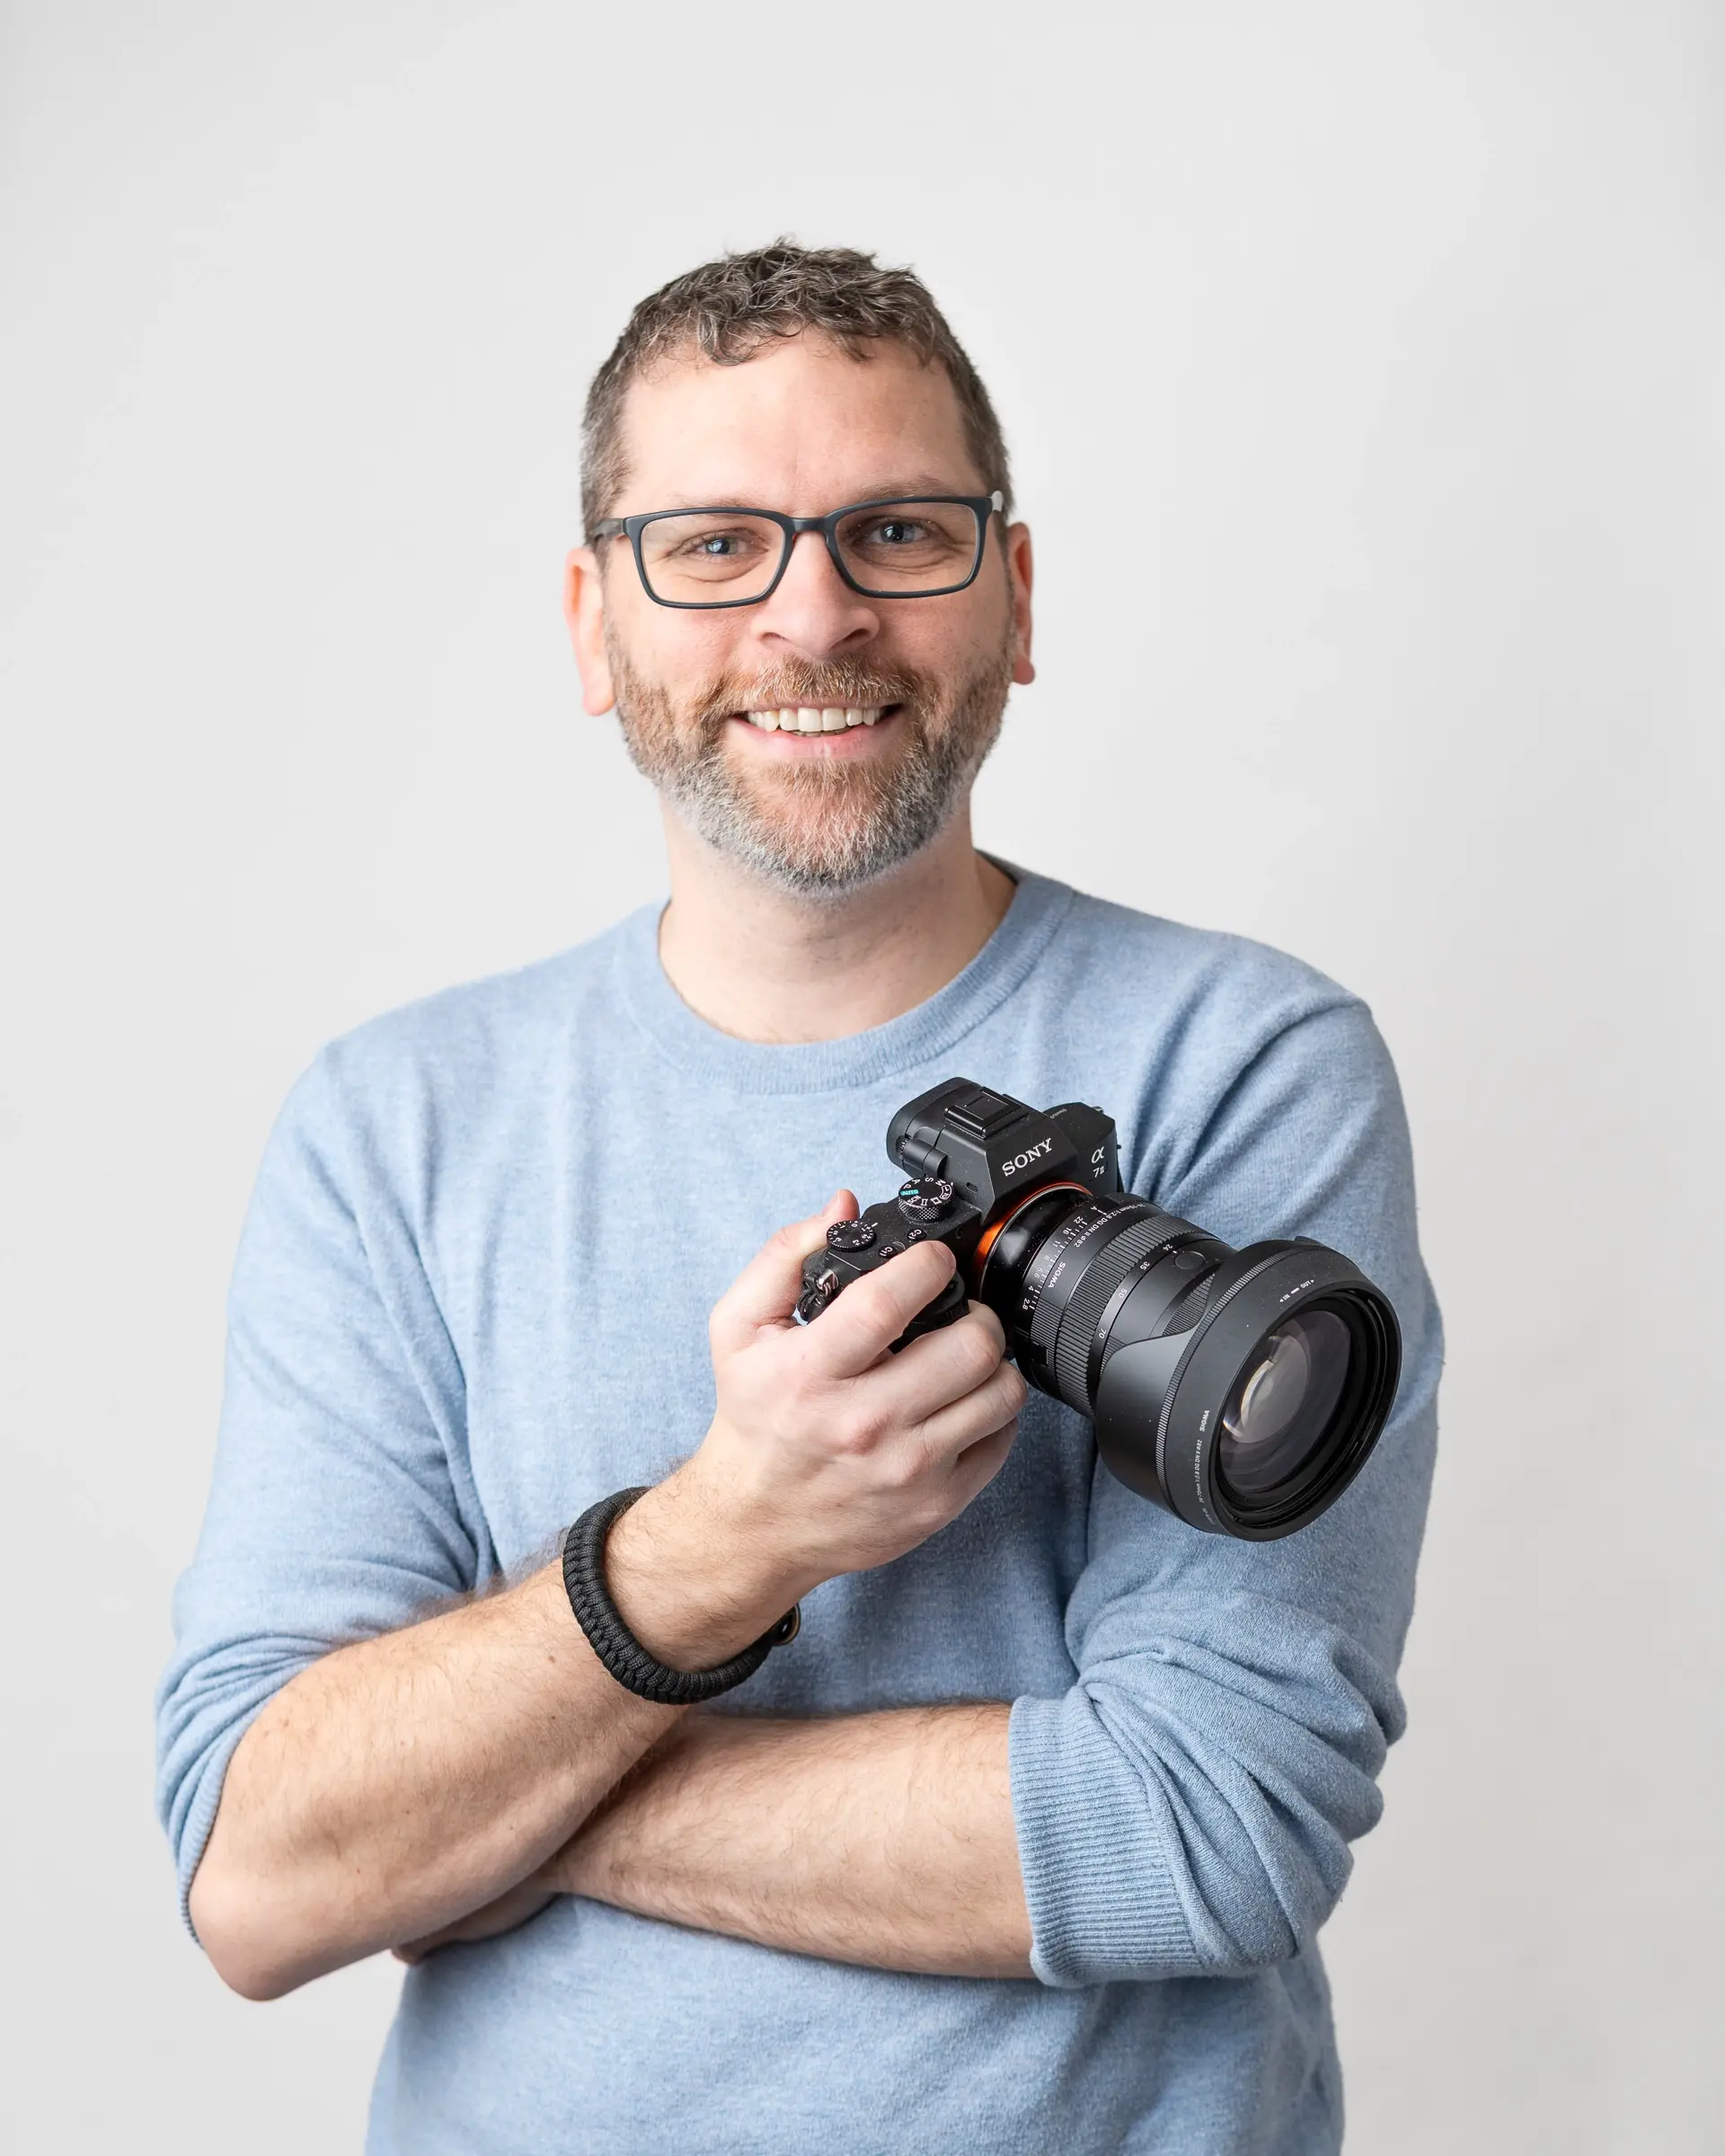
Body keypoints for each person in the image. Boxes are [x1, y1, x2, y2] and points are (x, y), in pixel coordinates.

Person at [156, 241, 1439, 2155]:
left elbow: (1202, 1825)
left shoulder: (1241, 1059)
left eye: (898, 531)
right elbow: (260, 1881)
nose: (814, 614)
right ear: (593, 626)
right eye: (713, 546)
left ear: (1014, 598)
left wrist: (508, 1804)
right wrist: (719, 1544)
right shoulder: (396, 1127)